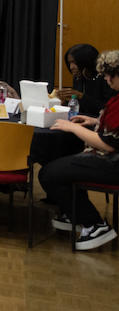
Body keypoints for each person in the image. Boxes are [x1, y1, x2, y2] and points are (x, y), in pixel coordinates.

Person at [41, 49, 119, 250]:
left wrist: (73, 127)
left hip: (113, 164)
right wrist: (93, 121)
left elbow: (108, 144)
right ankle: (75, 215)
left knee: (49, 174)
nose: (107, 79)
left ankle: (96, 225)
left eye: (111, 75)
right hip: (110, 159)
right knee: (61, 163)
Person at [58, 44, 115, 118]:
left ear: (86, 61)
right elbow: (80, 107)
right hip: (82, 119)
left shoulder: (105, 78)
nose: (71, 67)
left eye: (74, 63)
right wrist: (66, 101)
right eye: (69, 63)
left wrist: (81, 96)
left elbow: (107, 109)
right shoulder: (78, 77)